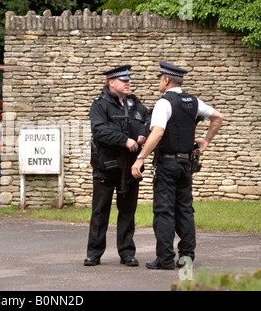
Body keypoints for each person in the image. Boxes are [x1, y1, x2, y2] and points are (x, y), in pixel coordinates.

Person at [131, 62, 224, 269]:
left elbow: (158, 132)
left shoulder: (164, 102)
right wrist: (206, 141)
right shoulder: (194, 101)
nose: (159, 82)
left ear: (166, 80)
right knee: (185, 210)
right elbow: (218, 117)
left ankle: (165, 259)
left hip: (167, 165)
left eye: (160, 78)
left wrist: (141, 157)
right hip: (186, 166)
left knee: (164, 212)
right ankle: (186, 256)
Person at [85, 65, 149, 267]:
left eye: (128, 80)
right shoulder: (100, 104)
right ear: (111, 82)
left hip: (129, 168)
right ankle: (94, 254)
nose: (128, 83)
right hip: (106, 166)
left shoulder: (134, 103)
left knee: (128, 211)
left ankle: (127, 253)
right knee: (100, 212)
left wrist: (142, 134)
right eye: (124, 80)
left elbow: (146, 120)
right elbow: (100, 131)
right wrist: (124, 140)